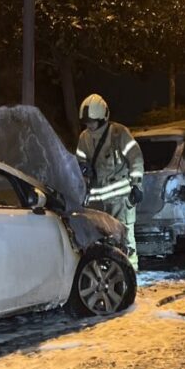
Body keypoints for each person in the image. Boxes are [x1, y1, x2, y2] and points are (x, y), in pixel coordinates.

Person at [75, 94, 144, 269]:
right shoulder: (84, 138)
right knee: (102, 238)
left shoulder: (119, 133)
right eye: (87, 122)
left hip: (120, 199)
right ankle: (107, 269)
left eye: (93, 121)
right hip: (97, 200)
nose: (89, 125)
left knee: (125, 236)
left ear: (103, 117)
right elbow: (79, 160)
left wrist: (136, 184)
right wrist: (83, 168)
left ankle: (130, 272)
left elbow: (135, 158)